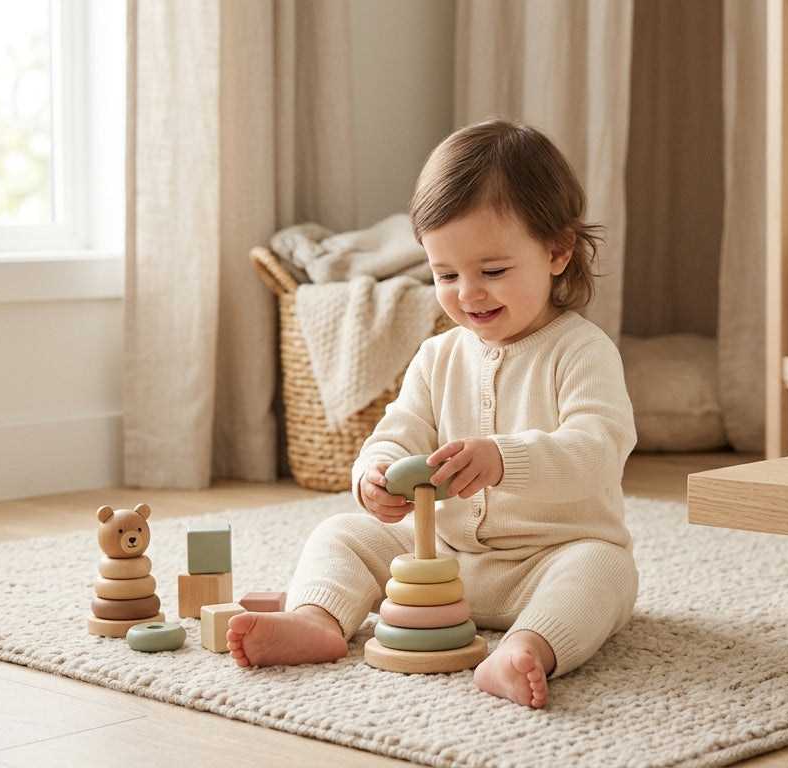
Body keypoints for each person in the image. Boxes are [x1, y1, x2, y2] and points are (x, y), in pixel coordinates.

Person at [226, 117, 637, 709]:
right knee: (340, 532)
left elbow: (597, 450)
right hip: (437, 562)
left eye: (492, 272)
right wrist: (375, 476)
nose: (467, 294)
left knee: (606, 572)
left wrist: (503, 460)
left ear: (557, 251)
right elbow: (397, 432)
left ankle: (524, 648)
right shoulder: (437, 355)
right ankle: (317, 621)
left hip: (549, 560)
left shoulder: (582, 351)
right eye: (446, 275)